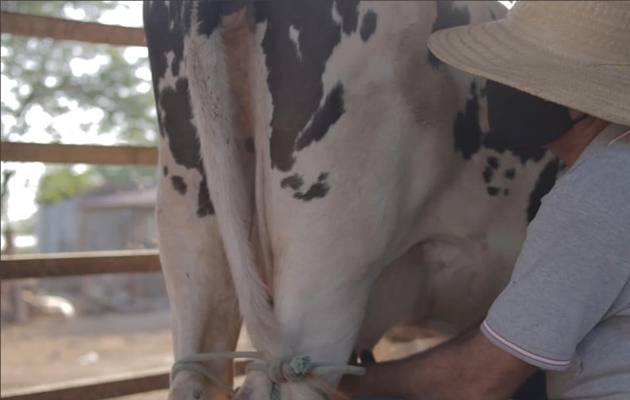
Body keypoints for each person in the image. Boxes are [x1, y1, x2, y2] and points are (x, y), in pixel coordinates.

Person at [339, 2, 630, 399]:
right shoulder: (615, 169)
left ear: (582, 98)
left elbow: (478, 380)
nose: (499, 84)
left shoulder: (594, 195)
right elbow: (515, 332)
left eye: (520, 74)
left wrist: (352, 382)